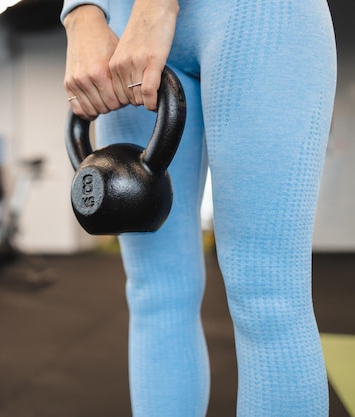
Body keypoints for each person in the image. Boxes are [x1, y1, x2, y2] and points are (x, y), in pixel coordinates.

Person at [61, 1, 337, 416]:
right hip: (122, 17)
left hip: (254, 13)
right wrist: (81, 15)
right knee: (155, 292)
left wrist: (156, 6)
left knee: (267, 298)